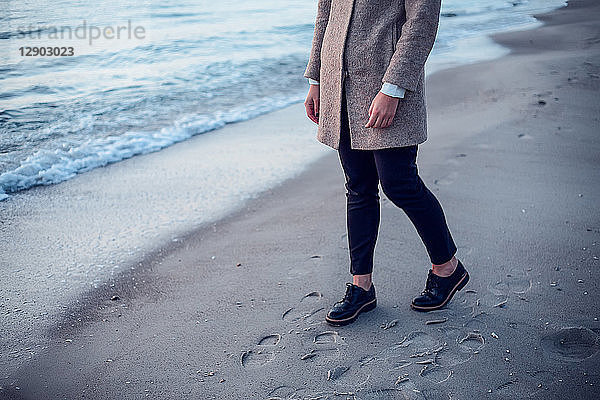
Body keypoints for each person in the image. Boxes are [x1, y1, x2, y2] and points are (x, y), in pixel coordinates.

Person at [303, 0, 469, 326]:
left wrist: (394, 88)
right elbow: (326, 14)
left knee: (399, 183)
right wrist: (316, 79)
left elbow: (421, 21)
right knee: (359, 187)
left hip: (386, 85)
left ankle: (447, 268)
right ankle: (361, 286)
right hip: (339, 86)